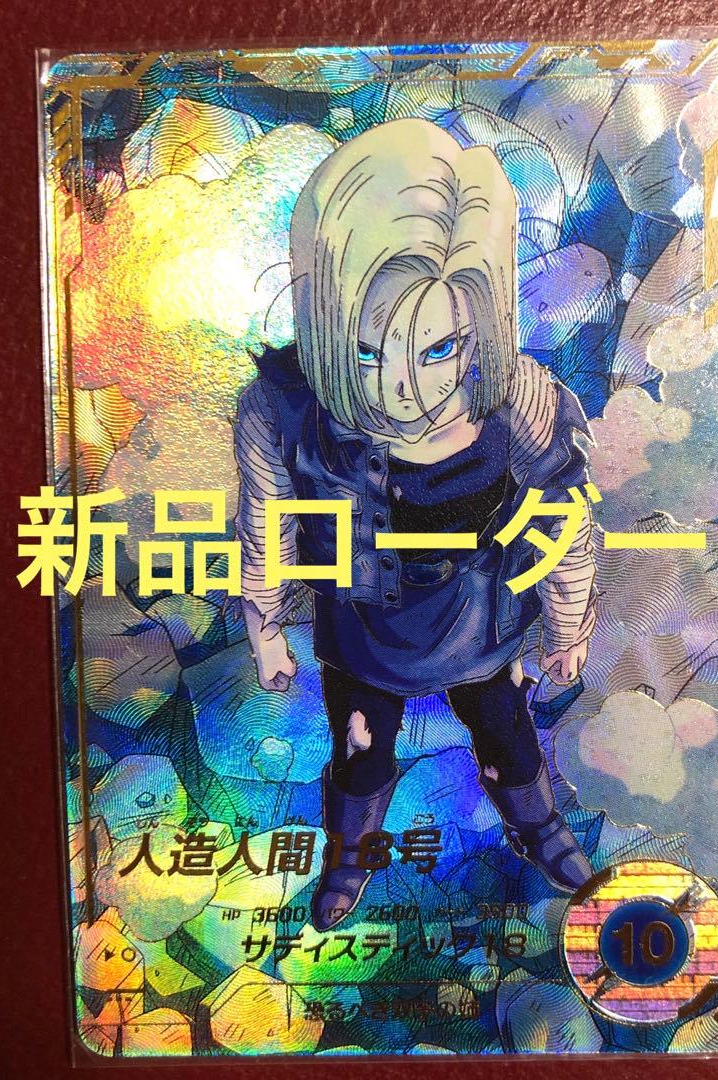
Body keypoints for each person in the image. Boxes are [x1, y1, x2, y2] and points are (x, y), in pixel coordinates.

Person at [233, 118, 599, 931]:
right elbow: (265, 523)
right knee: (361, 752)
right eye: (368, 353)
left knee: (508, 736)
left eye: (437, 350)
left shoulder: (519, 397)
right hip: (362, 624)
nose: (404, 389)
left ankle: (540, 828)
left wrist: (569, 624)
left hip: (482, 618)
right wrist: (265, 627)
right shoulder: (282, 407)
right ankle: (348, 858)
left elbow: (566, 512)